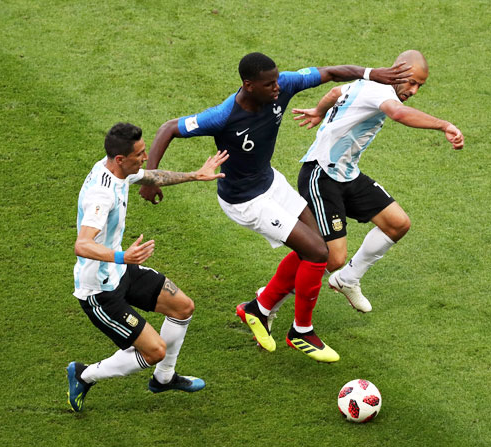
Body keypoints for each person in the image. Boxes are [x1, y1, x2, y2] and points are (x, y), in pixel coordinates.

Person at [138, 53, 411, 363]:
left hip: (271, 183)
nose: (277, 88)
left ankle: (258, 308)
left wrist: (372, 73)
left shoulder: (284, 85)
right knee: (318, 254)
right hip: (244, 201)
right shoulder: (223, 115)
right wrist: (149, 178)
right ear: (249, 85)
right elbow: (169, 128)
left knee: (317, 247)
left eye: (277, 80)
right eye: (269, 85)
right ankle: (301, 331)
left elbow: (332, 72)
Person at [66, 122, 228, 412]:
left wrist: (195, 175)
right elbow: (82, 244)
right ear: (120, 159)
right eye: (140, 154)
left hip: (121, 269)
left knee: (183, 307)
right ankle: (84, 374)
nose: (144, 157)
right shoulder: (100, 196)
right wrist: (122, 257)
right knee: (154, 351)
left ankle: (164, 379)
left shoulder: (116, 169)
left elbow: (151, 175)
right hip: (100, 290)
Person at [288, 49, 464, 313]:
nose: (414, 91)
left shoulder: (370, 83)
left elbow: (336, 93)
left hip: (347, 174)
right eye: (412, 82)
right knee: (332, 256)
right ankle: (268, 299)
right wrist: (444, 125)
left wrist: (318, 111)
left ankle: (348, 279)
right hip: (321, 174)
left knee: (397, 224)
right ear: (399, 71)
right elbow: (398, 114)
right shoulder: (380, 92)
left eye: (420, 86)